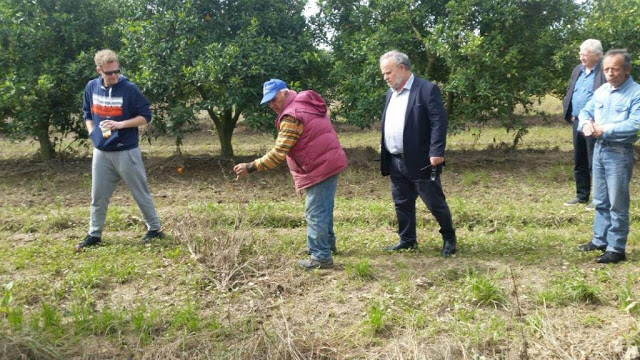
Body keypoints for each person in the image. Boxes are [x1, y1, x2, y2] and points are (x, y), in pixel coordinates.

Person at [233, 79, 348, 270]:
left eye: (274, 99)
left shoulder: (292, 116)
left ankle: (321, 257)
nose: (272, 105)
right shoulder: (303, 103)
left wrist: (251, 166)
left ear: (285, 93)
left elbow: (279, 153)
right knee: (323, 208)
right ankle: (326, 246)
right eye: (268, 102)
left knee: (315, 212)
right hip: (327, 161)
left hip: (319, 166)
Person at [75, 49, 163, 252]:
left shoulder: (129, 89)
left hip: (126, 151)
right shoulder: (91, 87)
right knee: (98, 196)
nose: (114, 75)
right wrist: (92, 134)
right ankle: (94, 235)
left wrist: (120, 125)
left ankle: (154, 229)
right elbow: (87, 113)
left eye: (117, 71)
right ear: (99, 70)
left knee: (140, 192)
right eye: (109, 72)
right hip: (101, 152)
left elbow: (145, 116)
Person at [378, 50, 457, 257]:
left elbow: (438, 123)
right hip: (395, 159)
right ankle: (407, 240)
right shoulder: (391, 93)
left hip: (422, 159)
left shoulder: (427, 89)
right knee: (402, 202)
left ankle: (449, 238)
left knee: (434, 201)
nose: (385, 77)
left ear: (402, 68)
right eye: (383, 73)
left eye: (388, 72)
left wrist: (437, 150)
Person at [578, 49, 640, 264]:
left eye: (615, 69)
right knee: (600, 200)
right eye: (606, 70)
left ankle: (616, 248)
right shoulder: (602, 90)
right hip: (599, 149)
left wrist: (605, 129)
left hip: (619, 152)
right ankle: (599, 240)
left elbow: (635, 123)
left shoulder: (636, 93)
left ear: (627, 69)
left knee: (617, 203)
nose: (610, 74)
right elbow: (585, 112)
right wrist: (587, 124)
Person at [562, 39, 606, 209]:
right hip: (577, 121)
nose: (581, 57)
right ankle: (581, 196)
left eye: (585, 54)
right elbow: (571, 91)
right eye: (580, 53)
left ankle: (599, 199)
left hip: (594, 124)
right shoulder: (578, 70)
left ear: (597, 55)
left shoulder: (603, 71)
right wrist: (570, 112)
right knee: (579, 160)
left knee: (595, 161)